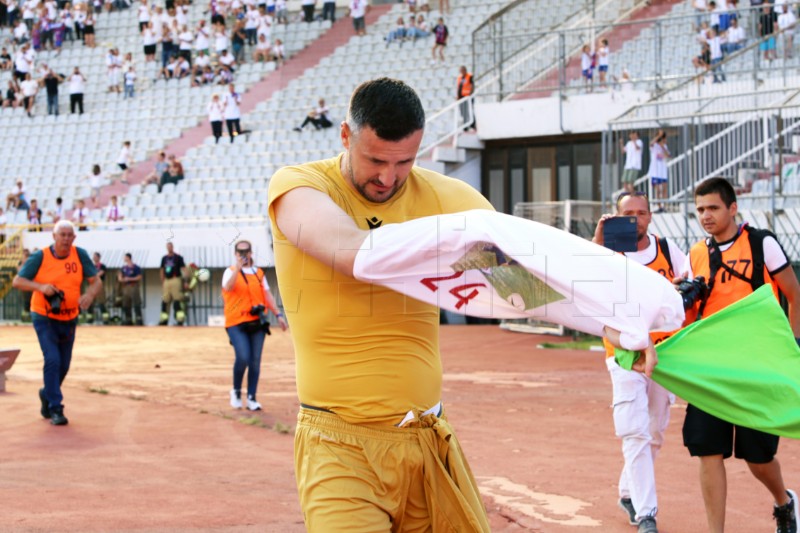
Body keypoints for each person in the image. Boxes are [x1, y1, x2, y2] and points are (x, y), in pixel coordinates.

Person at [267, 77, 495, 531]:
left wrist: (609, 303)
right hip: (339, 446)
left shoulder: (445, 197)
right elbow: (355, 253)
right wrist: (450, 239)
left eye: (404, 162)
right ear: (346, 136)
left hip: (427, 438)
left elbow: (526, 272)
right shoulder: (300, 186)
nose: (388, 178)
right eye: (374, 160)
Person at [675, 177, 800, 533]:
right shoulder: (696, 253)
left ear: (733, 208)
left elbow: (794, 294)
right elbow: (687, 312)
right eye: (700, 210)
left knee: (759, 458)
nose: (706, 216)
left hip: (757, 365)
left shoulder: (762, 244)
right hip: (711, 369)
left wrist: (793, 349)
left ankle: (784, 502)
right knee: (707, 451)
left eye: (713, 208)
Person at [593, 192, 686, 533]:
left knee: (655, 431)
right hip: (623, 354)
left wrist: (679, 288)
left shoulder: (668, 250)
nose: (635, 219)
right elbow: (586, 282)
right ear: (616, 217)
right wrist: (597, 241)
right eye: (627, 214)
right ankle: (647, 513)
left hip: (663, 353)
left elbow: (689, 286)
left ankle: (628, 493)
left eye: (641, 213)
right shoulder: (609, 251)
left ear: (650, 215)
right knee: (634, 431)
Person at [12, 220, 101, 426]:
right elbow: (18, 281)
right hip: (44, 316)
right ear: (54, 236)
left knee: (64, 365)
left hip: (70, 317)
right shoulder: (40, 257)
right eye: (62, 235)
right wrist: (41, 287)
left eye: (70, 235)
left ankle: (47, 393)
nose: (66, 239)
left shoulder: (79, 255)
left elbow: (96, 280)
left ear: (74, 238)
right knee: (52, 359)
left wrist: (89, 295)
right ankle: (55, 408)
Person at [222, 240, 287, 411]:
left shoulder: (258, 273)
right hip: (236, 322)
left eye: (246, 251)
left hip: (257, 322)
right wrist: (237, 267)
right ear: (235, 254)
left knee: (255, 361)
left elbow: (267, 295)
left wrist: (278, 314)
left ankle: (252, 397)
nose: (243, 255)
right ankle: (236, 391)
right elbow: (228, 287)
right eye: (240, 252)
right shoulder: (229, 272)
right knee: (243, 356)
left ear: (251, 252)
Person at [159, 241, 187, 325]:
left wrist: (185, 281)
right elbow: (162, 270)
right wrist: (163, 281)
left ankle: (180, 319)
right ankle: (164, 320)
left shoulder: (178, 257)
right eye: (167, 246)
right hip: (167, 280)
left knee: (177, 299)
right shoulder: (164, 258)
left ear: (173, 247)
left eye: (170, 246)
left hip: (176, 279)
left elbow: (184, 270)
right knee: (165, 299)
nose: (169, 248)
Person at [118, 252, 143, 325]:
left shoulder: (136, 267)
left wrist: (130, 279)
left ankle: (139, 320)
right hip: (125, 287)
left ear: (128, 258)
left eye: (125, 257)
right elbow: (120, 277)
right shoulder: (123, 268)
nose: (124, 258)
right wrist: (123, 279)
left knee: (136, 303)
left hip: (133, 286)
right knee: (126, 304)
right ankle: (128, 319)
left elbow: (139, 277)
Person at [648, 130, 669, 211]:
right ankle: (659, 206)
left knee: (664, 189)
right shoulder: (654, 146)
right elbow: (651, 143)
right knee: (658, 190)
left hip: (663, 171)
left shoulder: (665, 146)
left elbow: (667, 155)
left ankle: (665, 206)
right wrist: (658, 136)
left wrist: (663, 146)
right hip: (655, 172)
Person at [87, 251, 109, 324]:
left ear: (99, 257)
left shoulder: (102, 266)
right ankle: (90, 319)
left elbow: (99, 274)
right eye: (93, 256)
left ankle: (105, 319)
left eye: (95, 256)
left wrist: (93, 275)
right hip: (91, 285)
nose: (94, 258)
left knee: (101, 302)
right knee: (90, 302)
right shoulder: (90, 265)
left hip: (99, 285)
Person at [456, 65, 475, 131]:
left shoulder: (469, 76)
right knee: (463, 112)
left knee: (468, 111)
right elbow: (459, 88)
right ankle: (465, 125)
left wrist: (470, 94)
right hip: (462, 97)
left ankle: (472, 124)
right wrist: (458, 97)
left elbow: (472, 86)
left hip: (467, 97)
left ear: (464, 70)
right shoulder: (460, 78)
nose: (461, 72)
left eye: (462, 70)